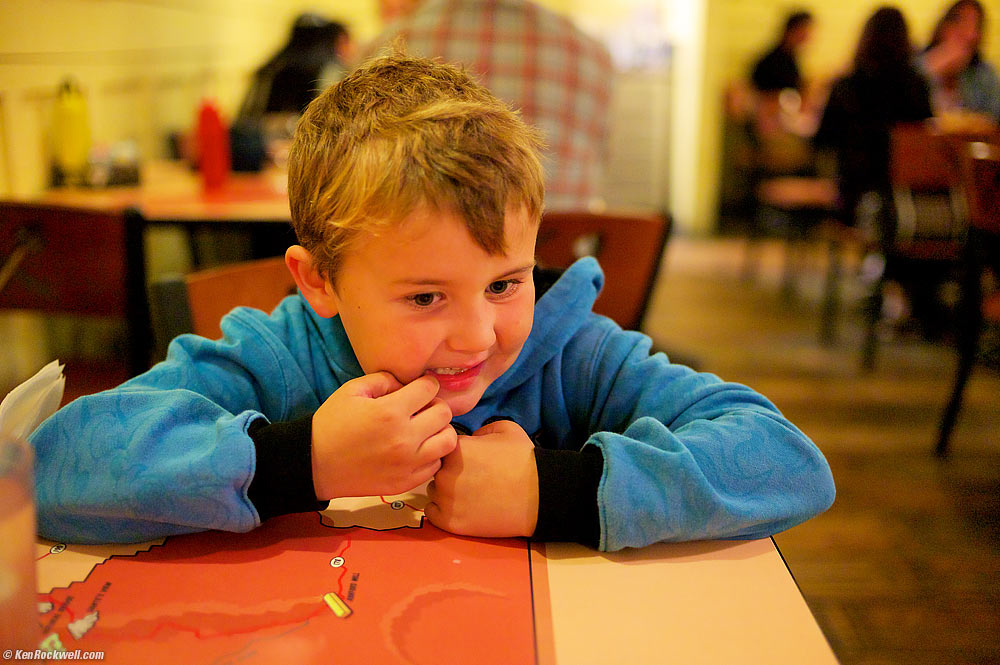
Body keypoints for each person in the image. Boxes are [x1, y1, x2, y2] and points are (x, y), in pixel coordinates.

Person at [29, 51, 835, 551]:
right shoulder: (280, 357)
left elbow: (787, 461)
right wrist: (299, 458)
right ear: (320, 282)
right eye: (424, 295)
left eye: (504, 282)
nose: (480, 333)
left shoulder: (570, 353)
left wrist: (555, 489)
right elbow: (45, 472)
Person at [365, 0, 613, 212]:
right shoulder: (594, 56)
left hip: (428, 259)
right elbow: (603, 168)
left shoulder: (385, 48)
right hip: (566, 260)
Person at [920, 0, 1000, 122]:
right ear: (945, 27)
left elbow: (993, 116)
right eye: (961, 23)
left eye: (975, 26)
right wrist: (933, 69)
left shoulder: (984, 74)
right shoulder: (918, 64)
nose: (969, 34)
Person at [750, 11, 814, 95]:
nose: (809, 37)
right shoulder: (772, 62)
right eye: (805, 31)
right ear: (792, 30)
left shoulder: (791, 58)